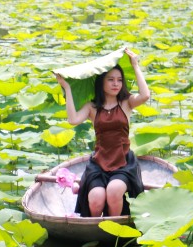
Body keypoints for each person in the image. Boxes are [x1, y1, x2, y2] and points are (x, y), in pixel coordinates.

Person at [55, 48, 150, 218]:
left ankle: (112, 233)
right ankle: (94, 233)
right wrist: (67, 88)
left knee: (114, 192)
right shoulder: (92, 107)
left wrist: (135, 65)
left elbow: (145, 95)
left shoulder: (126, 103)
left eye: (119, 80)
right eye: (111, 80)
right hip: (99, 162)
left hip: (123, 162)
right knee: (96, 198)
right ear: (101, 83)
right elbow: (73, 120)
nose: (116, 84)